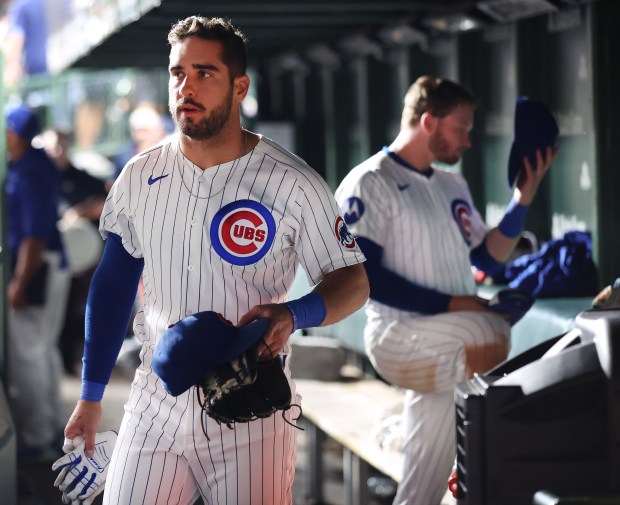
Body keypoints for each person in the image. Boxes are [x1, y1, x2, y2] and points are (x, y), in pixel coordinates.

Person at [62, 15, 369, 504]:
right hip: (156, 401)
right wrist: (90, 395)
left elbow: (353, 281)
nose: (187, 86)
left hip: (250, 403)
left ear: (239, 86)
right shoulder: (139, 176)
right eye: (177, 72)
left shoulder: (292, 182)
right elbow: (114, 283)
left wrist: (294, 313)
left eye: (204, 73)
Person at [335, 76, 557, 505]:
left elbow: (489, 258)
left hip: (446, 343)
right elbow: (367, 278)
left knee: (424, 486)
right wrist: (458, 304)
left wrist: (522, 198)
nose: (469, 141)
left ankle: (405, 434)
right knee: (487, 334)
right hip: (400, 335)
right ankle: (397, 431)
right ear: (428, 122)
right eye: (462, 128)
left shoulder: (452, 185)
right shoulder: (368, 181)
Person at [5, 105, 71, 460]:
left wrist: (19, 282)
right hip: (49, 262)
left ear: (13, 134)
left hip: (37, 265)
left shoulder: (29, 170)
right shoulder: (35, 164)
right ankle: (50, 428)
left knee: (28, 353)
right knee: (42, 349)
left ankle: (37, 437)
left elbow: (33, 237)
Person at [39, 127, 108, 375]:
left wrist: (81, 211)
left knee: (77, 310)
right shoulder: (38, 177)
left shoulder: (81, 178)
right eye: (50, 146)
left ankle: (71, 361)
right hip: (46, 257)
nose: (55, 151)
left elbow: (106, 200)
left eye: (60, 145)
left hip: (80, 258)